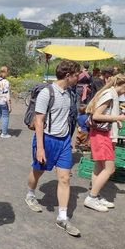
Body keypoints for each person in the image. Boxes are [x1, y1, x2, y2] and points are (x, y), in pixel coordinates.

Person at [24, 60, 81, 237]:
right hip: (47, 140)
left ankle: (62, 217)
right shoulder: (46, 93)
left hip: (63, 141)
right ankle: (30, 194)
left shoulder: (71, 94)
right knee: (38, 170)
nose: (78, 77)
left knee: (64, 178)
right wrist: (40, 148)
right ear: (67, 75)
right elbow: (39, 121)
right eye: (76, 74)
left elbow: (69, 116)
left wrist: (71, 137)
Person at [84, 74, 125, 212]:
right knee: (110, 169)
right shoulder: (110, 94)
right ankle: (91, 197)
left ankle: (95, 195)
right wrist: (117, 117)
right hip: (102, 136)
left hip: (102, 134)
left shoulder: (111, 93)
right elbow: (96, 115)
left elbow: (104, 114)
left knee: (99, 166)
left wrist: (116, 121)